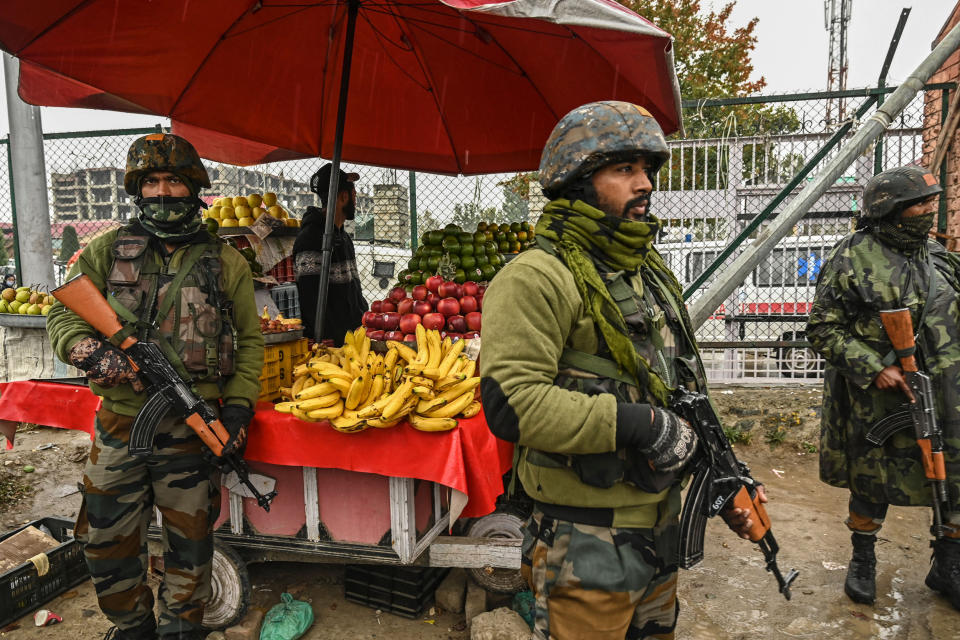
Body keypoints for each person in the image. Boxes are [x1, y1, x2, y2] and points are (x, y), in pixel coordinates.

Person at [479, 101, 764, 640]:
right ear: (578, 180)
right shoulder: (536, 277)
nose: (646, 184)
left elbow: (680, 384)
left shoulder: (645, 272)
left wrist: (722, 469)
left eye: (649, 170)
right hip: (583, 538)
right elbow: (510, 402)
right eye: (624, 169)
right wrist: (644, 426)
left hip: (659, 524)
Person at [46, 133, 264, 640]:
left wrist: (237, 411)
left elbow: (250, 344)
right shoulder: (105, 250)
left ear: (193, 188)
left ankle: (181, 632)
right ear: (136, 189)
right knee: (105, 541)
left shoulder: (225, 261)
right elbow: (64, 314)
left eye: (173, 181)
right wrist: (92, 352)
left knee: (190, 548)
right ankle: (133, 627)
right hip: (121, 424)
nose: (162, 192)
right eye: (151, 182)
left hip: (192, 430)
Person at [807, 165, 960, 609]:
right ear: (891, 209)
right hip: (879, 398)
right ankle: (863, 557)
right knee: (873, 479)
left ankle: (947, 563)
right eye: (921, 203)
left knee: (950, 475)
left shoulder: (939, 257)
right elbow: (821, 328)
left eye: (933, 201)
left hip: (946, 395)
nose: (931, 210)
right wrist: (875, 366)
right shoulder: (852, 257)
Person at [293, 163, 368, 346]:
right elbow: (311, 302)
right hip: (331, 344)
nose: (355, 202)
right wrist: (333, 342)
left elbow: (353, 290)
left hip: (354, 336)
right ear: (343, 197)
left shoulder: (343, 237)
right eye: (354, 196)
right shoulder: (310, 239)